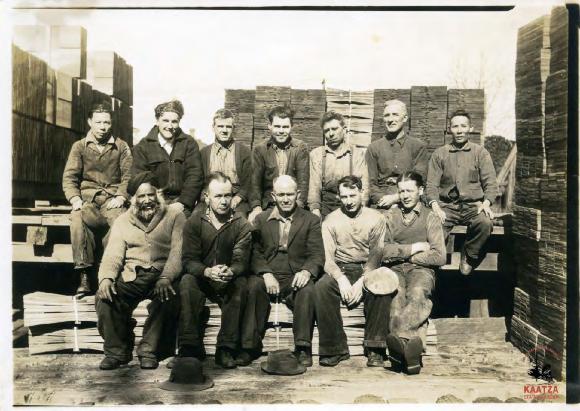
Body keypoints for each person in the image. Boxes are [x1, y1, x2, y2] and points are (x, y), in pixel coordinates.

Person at [95, 172, 185, 370]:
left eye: (150, 195)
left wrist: (166, 277)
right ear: (133, 200)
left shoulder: (175, 216)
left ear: (157, 194)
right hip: (132, 276)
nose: (147, 201)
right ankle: (116, 351)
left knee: (170, 297)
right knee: (104, 298)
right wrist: (106, 279)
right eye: (141, 197)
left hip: (161, 275)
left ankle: (149, 351)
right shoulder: (122, 221)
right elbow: (113, 254)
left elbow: (178, 253)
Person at [242, 175, 324, 367]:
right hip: (269, 273)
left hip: (295, 275)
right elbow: (254, 251)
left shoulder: (311, 220)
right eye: (281, 195)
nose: (286, 199)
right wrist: (265, 273)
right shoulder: (261, 219)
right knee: (253, 286)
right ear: (273, 195)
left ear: (298, 194)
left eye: (290, 194)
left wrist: (306, 271)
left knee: (307, 290)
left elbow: (317, 254)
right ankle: (249, 347)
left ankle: (303, 347)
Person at [314, 175, 391, 367]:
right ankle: (334, 349)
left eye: (352, 195)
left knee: (381, 288)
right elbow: (327, 258)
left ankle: (375, 348)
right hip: (341, 267)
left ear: (361, 193)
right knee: (322, 288)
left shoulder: (376, 218)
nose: (348, 201)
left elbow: (376, 254)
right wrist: (340, 279)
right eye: (344, 197)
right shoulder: (330, 220)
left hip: (368, 268)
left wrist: (363, 280)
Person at [177, 172, 252, 369]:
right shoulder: (194, 222)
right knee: (186, 282)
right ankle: (189, 346)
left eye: (228, 195)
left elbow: (241, 259)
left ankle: (226, 348)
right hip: (203, 277)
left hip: (227, 277)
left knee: (241, 284)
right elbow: (188, 260)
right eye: (218, 196)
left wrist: (232, 271)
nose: (224, 201)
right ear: (206, 197)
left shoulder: (241, 223)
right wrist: (207, 271)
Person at [377, 172, 446, 375]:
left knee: (417, 294)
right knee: (396, 296)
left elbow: (439, 256)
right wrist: (414, 248)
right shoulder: (390, 216)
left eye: (409, 190)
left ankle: (398, 347)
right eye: (401, 191)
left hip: (421, 270)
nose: (405, 195)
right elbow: (383, 251)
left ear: (421, 191)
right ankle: (412, 355)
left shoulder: (430, 217)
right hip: (394, 269)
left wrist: (407, 257)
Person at [62, 102, 132, 294]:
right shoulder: (79, 147)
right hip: (88, 200)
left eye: (107, 122)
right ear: (90, 122)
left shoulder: (121, 146)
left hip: (112, 200)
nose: (103, 127)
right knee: (77, 219)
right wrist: (75, 199)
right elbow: (69, 177)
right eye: (99, 122)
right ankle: (84, 274)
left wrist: (121, 196)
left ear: (111, 123)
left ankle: (108, 273)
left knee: (120, 223)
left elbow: (128, 176)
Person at [426, 109, 499, 274]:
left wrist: (486, 203)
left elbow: (491, 183)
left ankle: (469, 255)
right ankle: (436, 261)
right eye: (455, 126)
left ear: (470, 128)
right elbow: (431, 185)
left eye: (463, 126)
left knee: (485, 223)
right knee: (433, 223)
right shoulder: (439, 154)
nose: (459, 130)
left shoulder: (480, 153)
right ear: (449, 129)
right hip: (447, 207)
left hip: (473, 206)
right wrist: (436, 207)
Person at [131, 100, 203, 217]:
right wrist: (155, 199)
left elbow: (195, 176)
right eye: (165, 121)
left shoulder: (189, 143)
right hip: (153, 203)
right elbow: (139, 178)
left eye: (174, 122)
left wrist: (183, 202)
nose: (170, 126)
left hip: (182, 203)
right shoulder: (143, 146)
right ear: (157, 121)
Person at [248, 106, 310, 224]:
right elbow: (255, 184)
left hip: (293, 204)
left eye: (285, 127)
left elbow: (303, 183)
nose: (281, 131)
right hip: (269, 205)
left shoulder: (300, 148)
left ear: (292, 127)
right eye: (277, 126)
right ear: (269, 126)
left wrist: (298, 210)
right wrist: (256, 207)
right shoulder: (260, 150)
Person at [365, 99, 429, 211]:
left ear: (404, 118)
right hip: (382, 202)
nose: (390, 119)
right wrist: (383, 200)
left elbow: (420, 180)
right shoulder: (373, 148)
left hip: (410, 200)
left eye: (395, 115)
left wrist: (397, 198)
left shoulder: (418, 146)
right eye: (387, 115)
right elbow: (371, 183)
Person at [308, 111, 369, 219]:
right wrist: (315, 211)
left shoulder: (357, 154)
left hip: (351, 206)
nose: (331, 134)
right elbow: (314, 187)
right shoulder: (316, 155)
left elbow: (364, 187)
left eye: (334, 129)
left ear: (344, 130)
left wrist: (360, 212)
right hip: (325, 207)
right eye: (327, 130)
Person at [198, 109, 252, 216]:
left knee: (240, 221)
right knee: (196, 220)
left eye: (228, 127)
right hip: (210, 199)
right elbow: (199, 182)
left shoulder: (244, 151)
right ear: (213, 128)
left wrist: (238, 198)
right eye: (220, 126)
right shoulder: (204, 153)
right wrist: (206, 198)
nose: (224, 130)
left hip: (235, 199)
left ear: (233, 129)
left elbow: (248, 182)